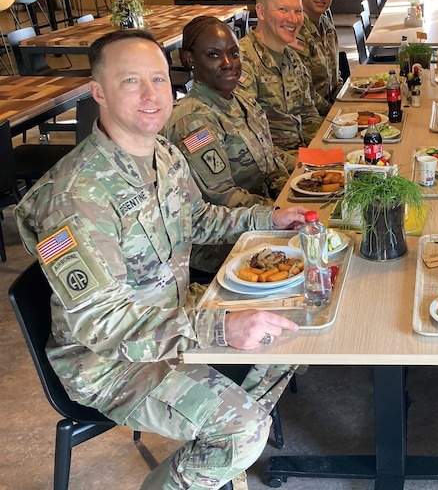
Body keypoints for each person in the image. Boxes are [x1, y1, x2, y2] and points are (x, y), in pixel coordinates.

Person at [14, 29, 310, 489]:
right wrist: (220, 327)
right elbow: (101, 324)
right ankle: (211, 454)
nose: (152, 95)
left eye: (158, 78)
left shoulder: (165, 156)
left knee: (298, 327)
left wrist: (270, 219)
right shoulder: (74, 197)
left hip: (174, 315)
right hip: (109, 364)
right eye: (131, 82)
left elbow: (201, 219)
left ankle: (216, 455)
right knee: (244, 429)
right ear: (99, 93)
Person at [164, 16, 295, 275]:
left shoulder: (240, 100)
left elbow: (269, 154)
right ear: (190, 59)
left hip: (266, 217)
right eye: (213, 55)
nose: (228, 64)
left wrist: (309, 165)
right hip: (226, 249)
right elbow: (223, 197)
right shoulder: (194, 120)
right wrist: (277, 213)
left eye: (233, 53)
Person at [236, 0, 324, 159]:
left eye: (298, 11)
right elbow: (251, 140)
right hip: (273, 167)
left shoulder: (292, 57)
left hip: (303, 157)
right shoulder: (242, 63)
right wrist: (306, 163)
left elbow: (308, 113)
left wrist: (320, 151)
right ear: (260, 11)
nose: (293, 19)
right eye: (283, 9)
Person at [293, 0, 341, 116]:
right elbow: (304, 95)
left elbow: (335, 79)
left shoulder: (327, 25)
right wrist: (336, 113)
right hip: (310, 117)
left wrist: (349, 98)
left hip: (331, 109)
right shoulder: (293, 30)